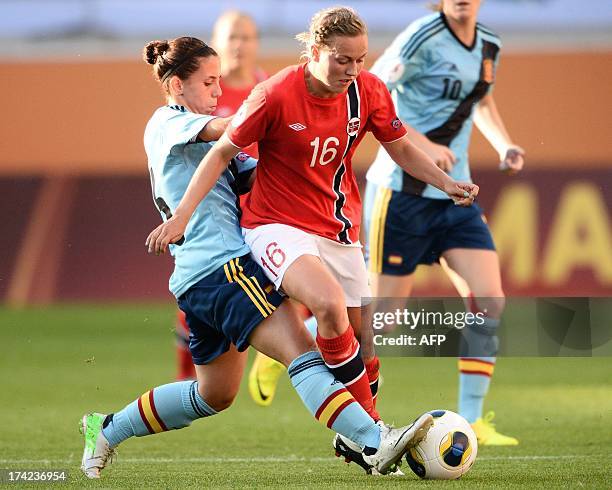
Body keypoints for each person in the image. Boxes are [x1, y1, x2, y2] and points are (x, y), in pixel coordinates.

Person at [79, 36, 434, 479]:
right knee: (301, 353)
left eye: (218, 81)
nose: (216, 90)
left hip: (198, 280)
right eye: (209, 82)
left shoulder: (201, 133)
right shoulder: (166, 122)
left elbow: (263, 174)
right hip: (224, 268)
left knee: (214, 394)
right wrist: (274, 109)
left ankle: (107, 428)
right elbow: (228, 130)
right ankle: (372, 440)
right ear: (175, 86)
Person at [145, 6, 478, 472]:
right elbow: (222, 150)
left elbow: (398, 145)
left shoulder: (369, 92)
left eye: (360, 59)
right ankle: (372, 436)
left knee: (364, 340)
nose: (353, 70)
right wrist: (181, 216)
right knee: (326, 304)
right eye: (343, 59)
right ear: (316, 51)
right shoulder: (275, 93)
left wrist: (445, 184)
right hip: (275, 225)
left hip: (338, 226)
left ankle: (363, 437)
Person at [364, 0, 525, 445]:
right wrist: (418, 142)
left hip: (456, 194)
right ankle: (307, 341)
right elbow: (371, 87)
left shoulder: (489, 42)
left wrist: (503, 143)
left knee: (490, 300)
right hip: (400, 194)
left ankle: (472, 420)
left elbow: (483, 100)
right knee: (382, 322)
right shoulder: (421, 36)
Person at [175, 10, 267, 381]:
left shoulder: (266, 88)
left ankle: (279, 356)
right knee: (197, 298)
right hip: (211, 213)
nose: (240, 46)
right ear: (217, 42)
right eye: (232, 37)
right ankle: (187, 381)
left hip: (261, 208)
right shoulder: (205, 94)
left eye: (246, 37)